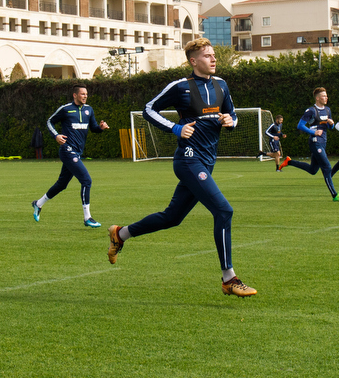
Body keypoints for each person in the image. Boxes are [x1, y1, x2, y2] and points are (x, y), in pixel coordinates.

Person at [107, 38, 256, 297]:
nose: (213, 59)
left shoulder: (222, 85)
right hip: (188, 159)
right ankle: (228, 278)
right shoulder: (180, 87)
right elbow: (148, 109)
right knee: (224, 210)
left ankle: (121, 233)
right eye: (207, 56)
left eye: (213, 55)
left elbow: (232, 116)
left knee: (172, 217)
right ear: (193, 61)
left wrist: (230, 121)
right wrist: (175, 127)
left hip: (207, 161)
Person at [34, 84, 109, 227]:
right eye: (82, 94)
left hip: (77, 153)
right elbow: (50, 121)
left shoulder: (89, 110)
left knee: (61, 184)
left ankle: (38, 204)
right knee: (86, 181)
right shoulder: (66, 109)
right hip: (67, 150)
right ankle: (88, 218)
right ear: (75, 95)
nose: (85, 96)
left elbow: (93, 128)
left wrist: (101, 128)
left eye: (86, 94)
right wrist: (56, 136)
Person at [277, 87, 339, 202]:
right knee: (327, 167)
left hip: (323, 142)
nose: (326, 98)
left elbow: (329, 127)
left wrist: (331, 123)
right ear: (317, 98)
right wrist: (313, 132)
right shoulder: (311, 111)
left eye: (326, 96)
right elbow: (300, 125)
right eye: (324, 96)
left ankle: (289, 161)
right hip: (315, 143)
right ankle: (335, 195)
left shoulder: (327, 110)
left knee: (313, 170)